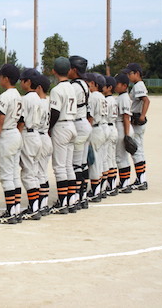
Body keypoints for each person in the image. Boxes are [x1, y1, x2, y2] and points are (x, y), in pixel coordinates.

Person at [0, 64, 23, 224]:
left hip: (7, 135)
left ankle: (10, 212)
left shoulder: (5, 96)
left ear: (6, 79)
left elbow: (0, 120)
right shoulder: (18, 95)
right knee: (14, 174)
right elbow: (21, 120)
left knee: (6, 176)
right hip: (16, 134)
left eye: (0, 76)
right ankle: (15, 209)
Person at [47, 57, 78, 215]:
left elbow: (55, 113)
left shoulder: (56, 90)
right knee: (68, 166)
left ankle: (63, 202)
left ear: (54, 71)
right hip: (72, 124)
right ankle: (71, 201)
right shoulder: (72, 87)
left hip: (61, 126)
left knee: (59, 167)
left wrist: (48, 128)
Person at [17, 68, 43, 220]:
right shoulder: (38, 98)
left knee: (28, 174)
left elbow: (21, 121)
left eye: (23, 80)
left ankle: (33, 207)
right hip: (38, 135)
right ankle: (36, 205)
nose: (21, 82)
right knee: (33, 172)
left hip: (28, 135)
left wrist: (17, 136)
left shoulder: (26, 99)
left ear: (29, 82)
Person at [68, 55, 92, 211]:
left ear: (74, 70)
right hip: (85, 123)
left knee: (75, 164)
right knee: (82, 164)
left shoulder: (74, 87)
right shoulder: (85, 84)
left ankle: (75, 197)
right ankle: (83, 196)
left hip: (78, 124)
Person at [123, 63, 150, 190]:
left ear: (137, 73)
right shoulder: (137, 85)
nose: (128, 76)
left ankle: (141, 180)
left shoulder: (139, 85)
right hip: (136, 119)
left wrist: (142, 116)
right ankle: (141, 178)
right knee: (139, 150)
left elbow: (146, 100)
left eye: (130, 73)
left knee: (136, 150)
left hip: (137, 121)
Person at [86, 73, 110, 202]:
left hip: (96, 128)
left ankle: (95, 192)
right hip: (104, 127)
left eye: (90, 83)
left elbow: (90, 116)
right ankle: (100, 189)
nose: (88, 85)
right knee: (100, 160)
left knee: (94, 162)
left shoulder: (93, 96)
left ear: (95, 84)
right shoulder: (102, 96)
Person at [33, 74, 53, 215]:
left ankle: (39, 205)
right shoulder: (49, 103)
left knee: (38, 173)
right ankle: (44, 203)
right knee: (43, 172)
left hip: (39, 137)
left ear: (39, 88)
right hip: (47, 137)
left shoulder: (38, 103)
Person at [114, 72, 134, 193]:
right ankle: (124, 182)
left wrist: (126, 135)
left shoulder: (124, 98)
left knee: (121, 157)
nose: (115, 86)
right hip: (123, 126)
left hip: (123, 127)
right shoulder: (122, 97)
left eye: (118, 84)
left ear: (125, 86)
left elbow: (126, 117)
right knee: (123, 157)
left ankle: (124, 183)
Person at [102, 76, 119, 195]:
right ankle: (112, 185)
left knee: (108, 159)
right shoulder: (113, 100)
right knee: (112, 158)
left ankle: (109, 186)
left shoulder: (107, 101)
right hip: (113, 127)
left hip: (108, 126)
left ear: (109, 88)